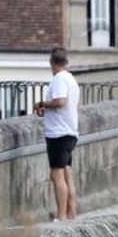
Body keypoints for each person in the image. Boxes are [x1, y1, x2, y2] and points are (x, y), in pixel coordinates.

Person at [32, 46, 79, 221]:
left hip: (58, 134)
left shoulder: (59, 79)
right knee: (67, 174)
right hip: (70, 131)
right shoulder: (71, 79)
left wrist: (41, 103)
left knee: (56, 175)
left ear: (52, 63)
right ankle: (71, 213)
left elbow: (60, 101)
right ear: (66, 62)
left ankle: (61, 217)